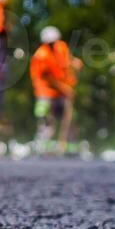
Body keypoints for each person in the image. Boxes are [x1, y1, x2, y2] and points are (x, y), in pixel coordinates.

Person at [31, 26, 81, 154]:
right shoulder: (41, 55)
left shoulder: (61, 47)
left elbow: (66, 59)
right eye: (50, 43)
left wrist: (74, 62)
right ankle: (43, 148)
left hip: (61, 93)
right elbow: (48, 79)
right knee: (47, 120)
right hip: (45, 93)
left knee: (68, 119)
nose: (54, 45)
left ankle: (71, 149)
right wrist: (65, 88)